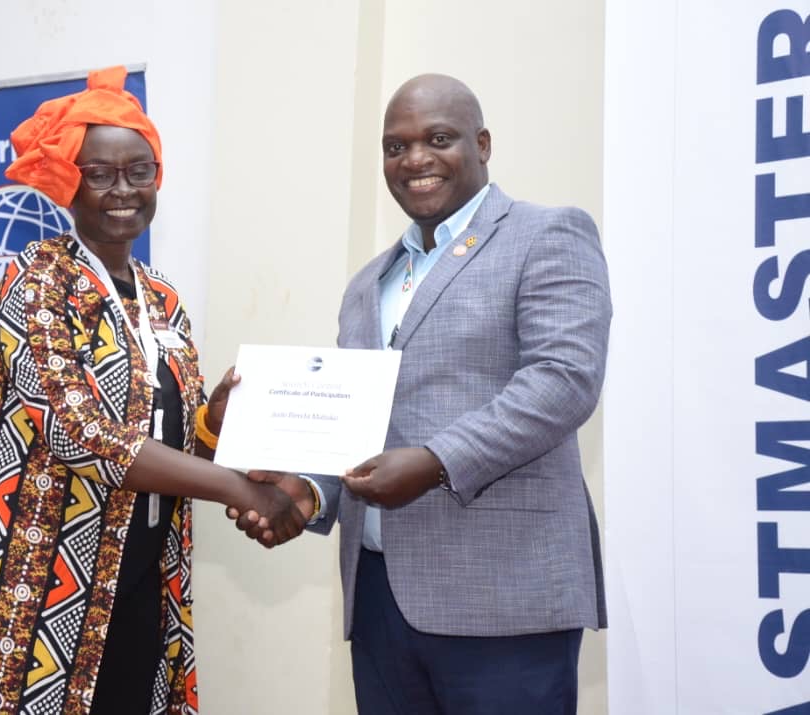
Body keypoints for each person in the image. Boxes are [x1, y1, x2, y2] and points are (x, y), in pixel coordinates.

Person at [0, 66, 305, 715]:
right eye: (100, 173)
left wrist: (213, 422)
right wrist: (244, 491)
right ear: (69, 181)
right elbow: (82, 434)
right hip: (33, 590)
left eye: (139, 170)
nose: (123, 189)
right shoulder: (36, 282)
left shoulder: (162, 299)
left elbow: (173, 444)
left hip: (143, 583)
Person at [233, 73, 612, 713]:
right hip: (380, 602)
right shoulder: (367, 283)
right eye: (395, 146)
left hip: (504, 598)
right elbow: (355, 423)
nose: (414, 159)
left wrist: (436, 461)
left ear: (482, 144)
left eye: (438, 139)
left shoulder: (546, 234)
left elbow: (563, 380)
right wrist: (309, 492)